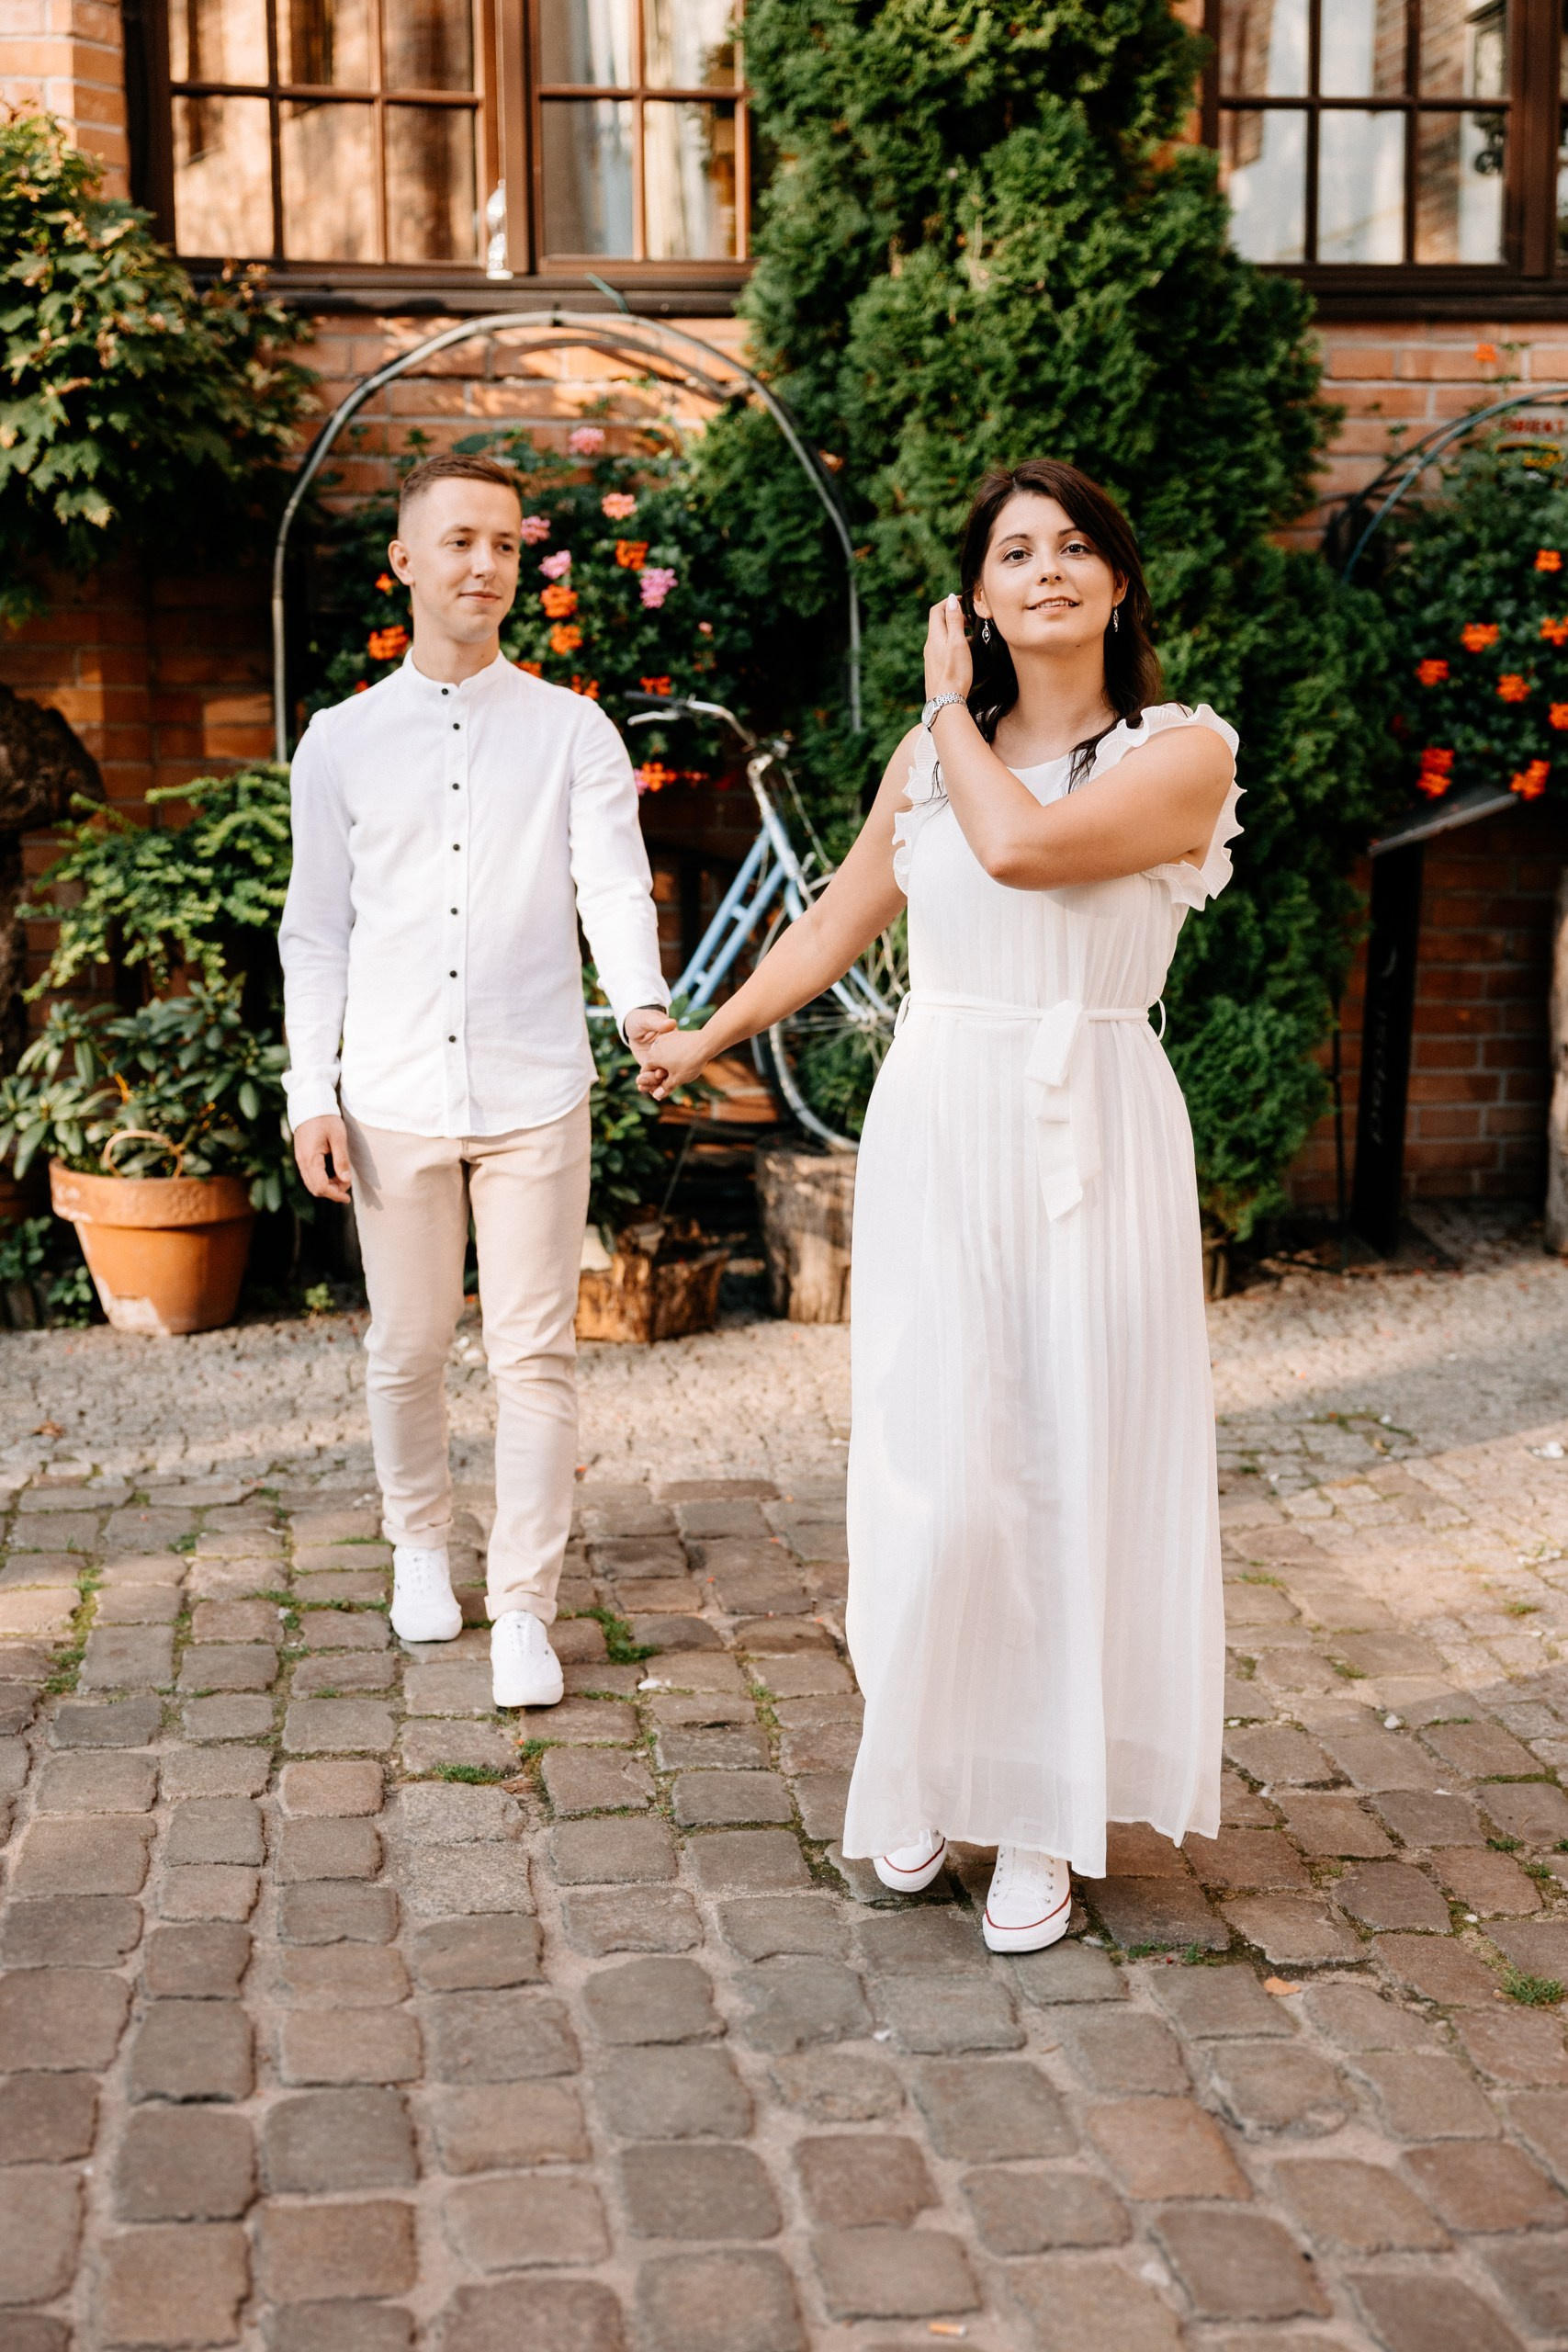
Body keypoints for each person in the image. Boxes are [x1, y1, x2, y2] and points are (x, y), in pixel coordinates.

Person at [640, 458, 1238, 1952]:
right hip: (941, 1123)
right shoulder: (928, 762)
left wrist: (941, 708)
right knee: (937, 1471)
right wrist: (707, 1036)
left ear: (1118, 584)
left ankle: (1044, 1815)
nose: (1048, 570)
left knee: (1071, 1465)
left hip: (1095, 1127)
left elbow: (1023, 850)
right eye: (1016, 552)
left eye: (1076, 547)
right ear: (978, 594)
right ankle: (914, 1761)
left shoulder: (1183, 751)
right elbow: (838, 922)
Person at [280, 451, 672, 1711]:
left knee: (534, 1357)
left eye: (505, 544)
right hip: (390, 1096)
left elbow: (612, 884)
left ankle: (525, 1609)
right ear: (405, 561)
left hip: (535, 1089)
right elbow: (316, 930)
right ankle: (415, 1545)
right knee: (405, 1349)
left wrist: (642, 1003)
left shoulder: (572, 730)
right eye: (459, 541)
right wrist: (309, 1088)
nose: (486, 565)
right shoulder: (341, 742)